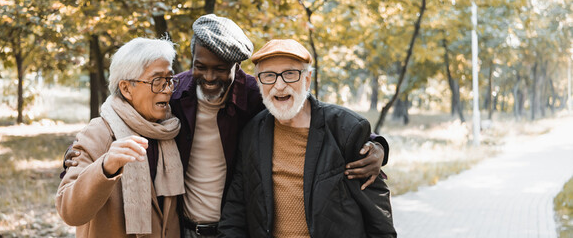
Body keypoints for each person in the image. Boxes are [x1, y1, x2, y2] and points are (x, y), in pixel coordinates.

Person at [62, 14, 390, 237]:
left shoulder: (253, 95)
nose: (208, 77)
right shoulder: (175, 91)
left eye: (220, 69)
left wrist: (376, 145)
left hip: (234, 227)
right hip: (182, 227)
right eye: (200, 66)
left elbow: (301, 104)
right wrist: (87, 158)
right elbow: (128, 110)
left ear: (236, 67)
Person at [218, 39, 396, 237]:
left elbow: (378, 215)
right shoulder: (252, 132)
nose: (279, 85)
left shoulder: (345, 128)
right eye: (269, 76)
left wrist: (380, 147)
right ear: (259, 82)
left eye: (290, 74)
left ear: (307, 79)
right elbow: (236, 207)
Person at [56, 37, 184, 238]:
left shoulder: (170, 130)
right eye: (157, 81)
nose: (167, 89)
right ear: (126, 88)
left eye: (169, 80)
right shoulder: (99, 133)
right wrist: (105, 167)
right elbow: (69, 212)